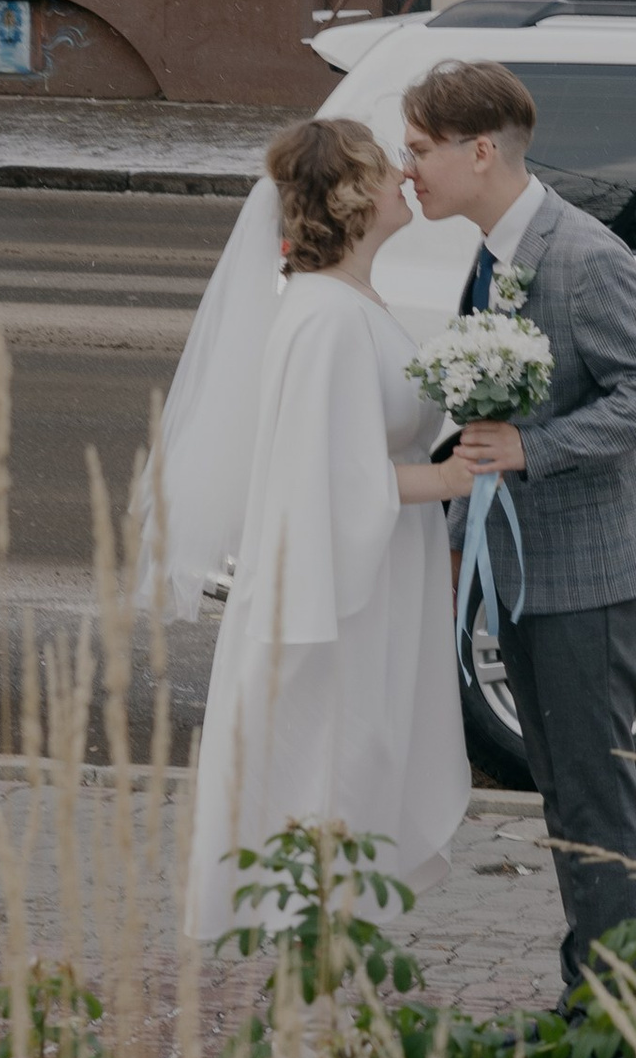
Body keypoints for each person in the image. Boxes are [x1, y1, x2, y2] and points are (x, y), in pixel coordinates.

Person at [399, 56, 636, 1002]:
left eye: (419, 151)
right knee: (564, 791)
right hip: (527, 567)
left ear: (480, 151)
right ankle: (594, 1001)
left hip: (595, 575)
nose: (409, 170)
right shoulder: (495, 252)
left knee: (593, 797)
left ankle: (612, 1021)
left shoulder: (581, 255)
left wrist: (537, 449)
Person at [156, 114, 470, 947]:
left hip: (376, 572)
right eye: (385, 165)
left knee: (358, 769)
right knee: (336, 771)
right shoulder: (326, 317)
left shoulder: (350, 299)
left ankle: (335, 954)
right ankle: (321, 963)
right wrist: (445, 479)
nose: (406, 173)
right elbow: (324, 477)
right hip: (341, 599)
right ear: (352, 194)